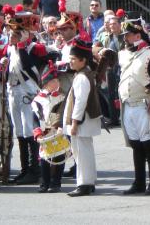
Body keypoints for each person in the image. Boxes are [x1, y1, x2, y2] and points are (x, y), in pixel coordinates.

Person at [118, 18, 150, 195]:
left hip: (144, 104)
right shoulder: (123, 54)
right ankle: (139, 182)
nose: (125, 38)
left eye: (128, 35)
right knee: (135, 144)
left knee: (149, 144)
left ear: (138, 35)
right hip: (128, 104)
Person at [4, 11, 47, 185]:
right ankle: (24, 170)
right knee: (19, 131)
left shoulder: (34, 49)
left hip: (28, 92)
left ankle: (34, 170)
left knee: (30, 130)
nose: (11, 36)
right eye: (11, 33)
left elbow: (30, 69)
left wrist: (22, 46)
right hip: (13, 91)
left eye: (15, 33)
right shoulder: (10, 49)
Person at [64, 39, 102, 197]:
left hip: (82, 121)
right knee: (84, 151)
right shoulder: (84, 73)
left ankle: (84, 184)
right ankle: (89, 181)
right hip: (83, 121)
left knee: (81, 152)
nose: (71, 62)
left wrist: (74, 123)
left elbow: (80, 102)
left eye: (74, 59)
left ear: (83, 60)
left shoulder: (82, 77)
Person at [32, 64, 71, 193]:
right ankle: (45, 183)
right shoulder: (38, 100)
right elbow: (34, 118)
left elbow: (64, 114)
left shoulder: (62, 98)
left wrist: (61, 127)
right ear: (46, 83)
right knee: (44, 158)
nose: (57, 83)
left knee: (59, 156)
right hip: (44, 132)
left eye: (57, 80)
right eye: (53, 81)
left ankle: (56, 183)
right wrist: (37, 132)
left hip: (58, 131)